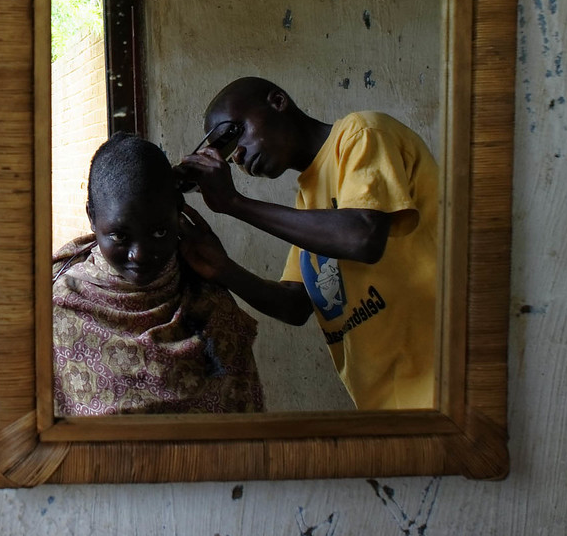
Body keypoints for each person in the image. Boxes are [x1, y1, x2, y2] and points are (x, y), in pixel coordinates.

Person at [177, 76, 440, 410]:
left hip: (440, 393)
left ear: (277, 101)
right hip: (386, 408)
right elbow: (294, 304)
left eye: (235, 133)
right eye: (229, 153)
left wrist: (235, 203)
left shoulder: (363, 135)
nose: (238, 155)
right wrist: (221, 268)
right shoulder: (308, 200)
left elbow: (363, 237)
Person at [50, 135, 266, 417]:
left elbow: (242, 428)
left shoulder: (210, 305)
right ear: (92, 216)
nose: (139, 254)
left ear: (178, 212)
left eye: (159, 232)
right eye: (119, 236)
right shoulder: (60, 309)